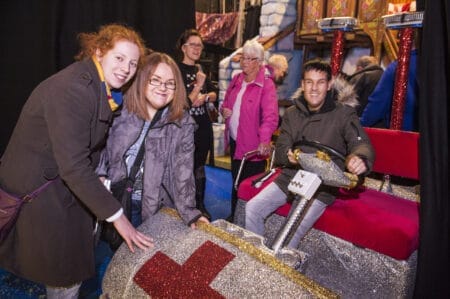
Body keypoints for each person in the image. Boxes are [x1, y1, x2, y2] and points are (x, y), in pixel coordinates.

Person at [0, 24, 153, 298]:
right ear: (99, 51)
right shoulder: (75, 88)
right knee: (64, 274)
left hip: (57, 186)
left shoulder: (99, 87)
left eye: (132, 63)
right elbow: (73, 164)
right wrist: (118, 218)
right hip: (40, 193)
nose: (126, 69)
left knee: (66, 270)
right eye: (119, 58)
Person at [245, 59, 375, 249]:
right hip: (291, 177)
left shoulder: (343, 114)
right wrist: (287, 155)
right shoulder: (292, 113)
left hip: (322, 185)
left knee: (288, 234)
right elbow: (281, 148)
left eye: (320, 82)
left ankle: (281, 266)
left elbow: (361, 143)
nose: (314, 88)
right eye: (309, 82)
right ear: (302, 84)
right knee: (252, 209)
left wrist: (360, 158)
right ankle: (255, 262)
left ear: (329, 84)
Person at [96, 52, 209, 231]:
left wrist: (190, 212)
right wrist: (100, 175)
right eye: (155, 80)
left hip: (152, 205)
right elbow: (101, 146)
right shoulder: (120, 109)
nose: (163, 87)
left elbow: (183, 170)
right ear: (143, 79)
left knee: (141, 254)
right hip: (112, 197)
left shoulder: (182, 123)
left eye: (170, 83)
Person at [221, 39, 279, 222]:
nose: (244, 62)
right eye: (243, 58)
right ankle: (234, 216)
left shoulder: (266, 85)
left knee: (250, 185)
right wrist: (225, 110)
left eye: (249, 59)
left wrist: (264, 140)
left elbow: (270, 117)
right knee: (235, 181)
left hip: (253, 146)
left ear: (259, 61)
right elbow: (226, 101)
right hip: (235, 140)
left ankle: (246, 220)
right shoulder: (237, 79)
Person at [176, 29, 218, 220]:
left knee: (200, 167)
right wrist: (198, 89)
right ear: (184, 48)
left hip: (203, 127)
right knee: (184, 168)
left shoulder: (200, 69)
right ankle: (185, 204)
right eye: (193, 44)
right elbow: (182, 104)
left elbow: (214, 93)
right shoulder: (175, 70)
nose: (197, 49)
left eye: (199, 45)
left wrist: (206, 96)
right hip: (184, 130)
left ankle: (200, 204)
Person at [360, 46, 419, 131]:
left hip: (404, 134)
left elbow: (378, 103)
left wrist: (361, 124)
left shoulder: (398, 67)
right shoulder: (438, 65)